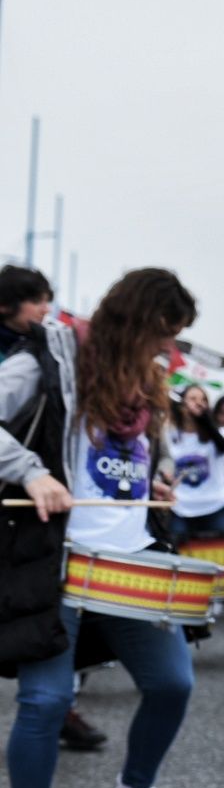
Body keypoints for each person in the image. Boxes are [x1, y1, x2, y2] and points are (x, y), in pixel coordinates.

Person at [0, 269, 198, 788]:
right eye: (161, 334)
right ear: (130, 322)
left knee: (172, 684)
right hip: (58, 562)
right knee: (46, 701)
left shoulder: (149, 382)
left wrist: (157, 481)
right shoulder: (53, 356)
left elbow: (143, 456)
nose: (166, 349)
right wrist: (31, 473)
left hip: (131, 561)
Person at [0, 266, 109, 753]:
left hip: (24, 505)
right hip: (18, 488)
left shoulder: (51, 351)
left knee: (33, 614)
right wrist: (28, 468)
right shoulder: (25, 360)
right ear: (9, 304)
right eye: (38, 301)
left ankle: (56, 705)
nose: (47, 311)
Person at [168, 383, 224, 656]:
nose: (197, 403)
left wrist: (203, 420)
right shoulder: (169, 434)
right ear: (181, 403)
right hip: (181, 509)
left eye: (203, 399)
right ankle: (185, 627)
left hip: (217, 507)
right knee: (178, 569)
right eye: (192, 398)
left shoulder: (218, 433)